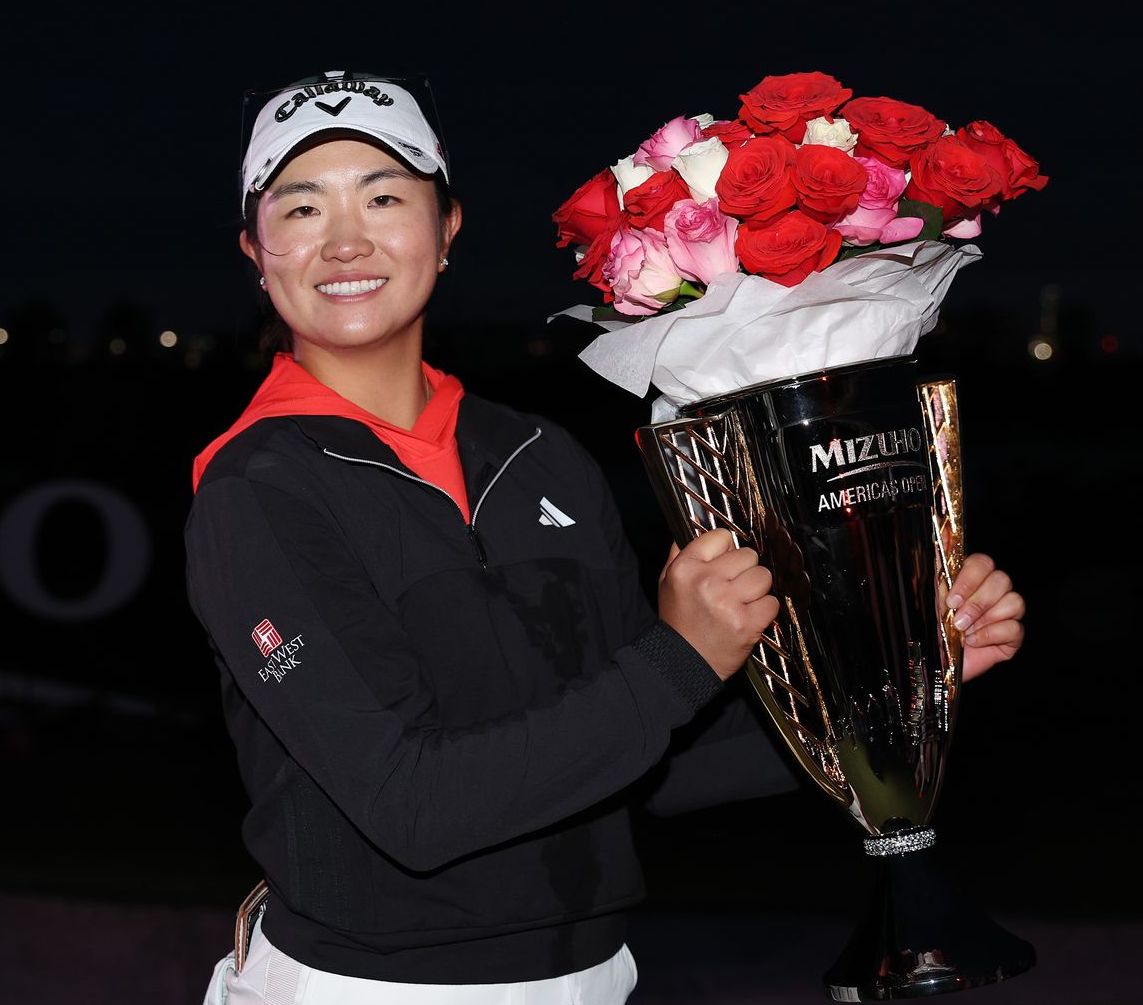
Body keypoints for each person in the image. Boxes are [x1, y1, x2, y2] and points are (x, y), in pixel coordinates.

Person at [185, 72, 1026, 1005]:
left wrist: (905, 666)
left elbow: (648, 766)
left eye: (384, 196)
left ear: (448, 228)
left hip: (596, 980)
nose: (347, 239)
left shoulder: (541, 455)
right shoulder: (256, 490)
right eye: (302, 207)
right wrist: (678, 658)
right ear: (256, 253)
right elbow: (410, 806)